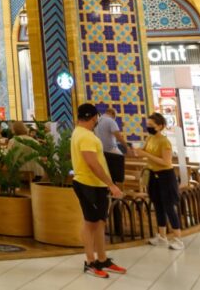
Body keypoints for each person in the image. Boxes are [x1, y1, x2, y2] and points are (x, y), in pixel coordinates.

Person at [72, 103, 126, 278]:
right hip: (89, 184)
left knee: (100, 222)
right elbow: (92, 163)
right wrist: (111, 184)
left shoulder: (80, 133)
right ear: (94, 117)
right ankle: (90, 262)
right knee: (90, 223)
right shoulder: (85, 136)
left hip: (96, 185)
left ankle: (102, 259)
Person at [134, 112, 183, 250]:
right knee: (158, 206)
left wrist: (146, 154)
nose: (148, 127)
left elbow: (166, 162)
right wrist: (137, 151)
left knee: (168, 207)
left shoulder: (164, 141)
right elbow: (142, 153)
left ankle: (178, 238)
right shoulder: (149, 139)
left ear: (160, 126)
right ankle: (162, 236)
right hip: (153, 176)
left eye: (151, 125)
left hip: (165, 176)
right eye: (147, 125)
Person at [95, 107, 126, 185]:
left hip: (100, 151)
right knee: (121, 161)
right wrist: (127, 147)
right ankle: (119, 185)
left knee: (107, 171)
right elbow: (118, 136)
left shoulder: (97, 120)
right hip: (111, 150)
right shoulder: (110, 121)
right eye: (116, 116)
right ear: (113, 114)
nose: (115, 118)